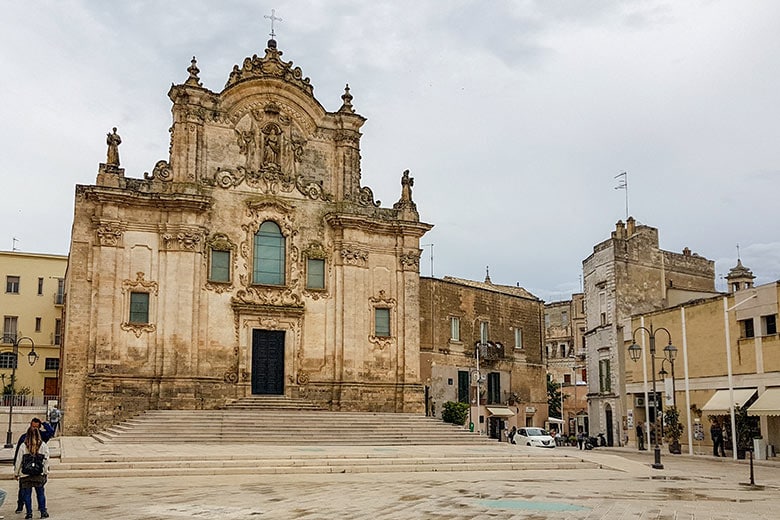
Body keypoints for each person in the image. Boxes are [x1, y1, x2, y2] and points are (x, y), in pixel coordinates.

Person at [13, 419, 54, 515]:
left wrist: (16, 472)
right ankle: (43, 511)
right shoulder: (43, 444)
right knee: (40, 492)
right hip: (38, 472)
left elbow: (19, 458)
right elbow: (46, 459)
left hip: (25, 472)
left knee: (27, 493)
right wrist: (45, 472)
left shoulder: (23, 443)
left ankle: (29, 513)